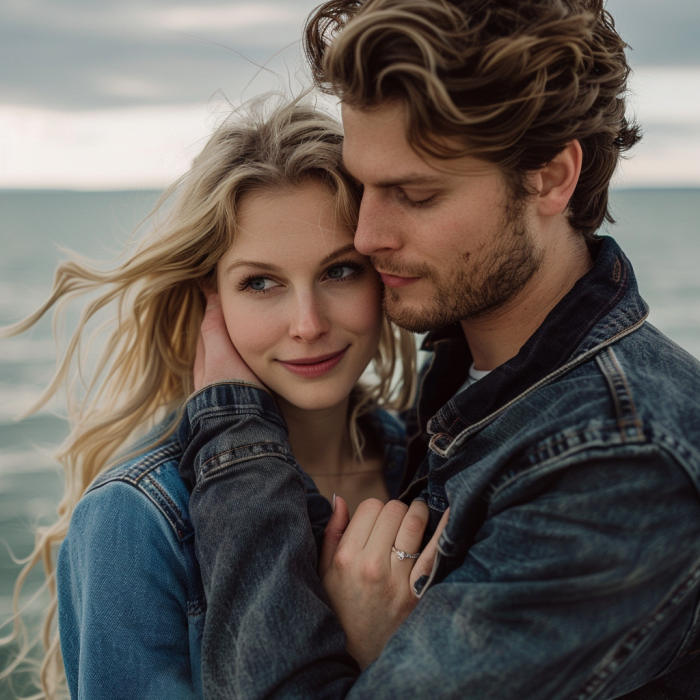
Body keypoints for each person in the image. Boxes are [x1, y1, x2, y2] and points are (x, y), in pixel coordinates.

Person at [175, 0, 700, 698]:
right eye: (364, 187)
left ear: (550, 176)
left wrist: (233, 437)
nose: (365, 236)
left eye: (413, 194)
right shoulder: (473, 378)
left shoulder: (616, 461)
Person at [0, 97, 421, 700]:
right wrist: (360, 657)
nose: (307, 324)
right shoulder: (136, 516)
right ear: (210, 299)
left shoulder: (433, 454)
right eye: (261, 283)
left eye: (339, 271)